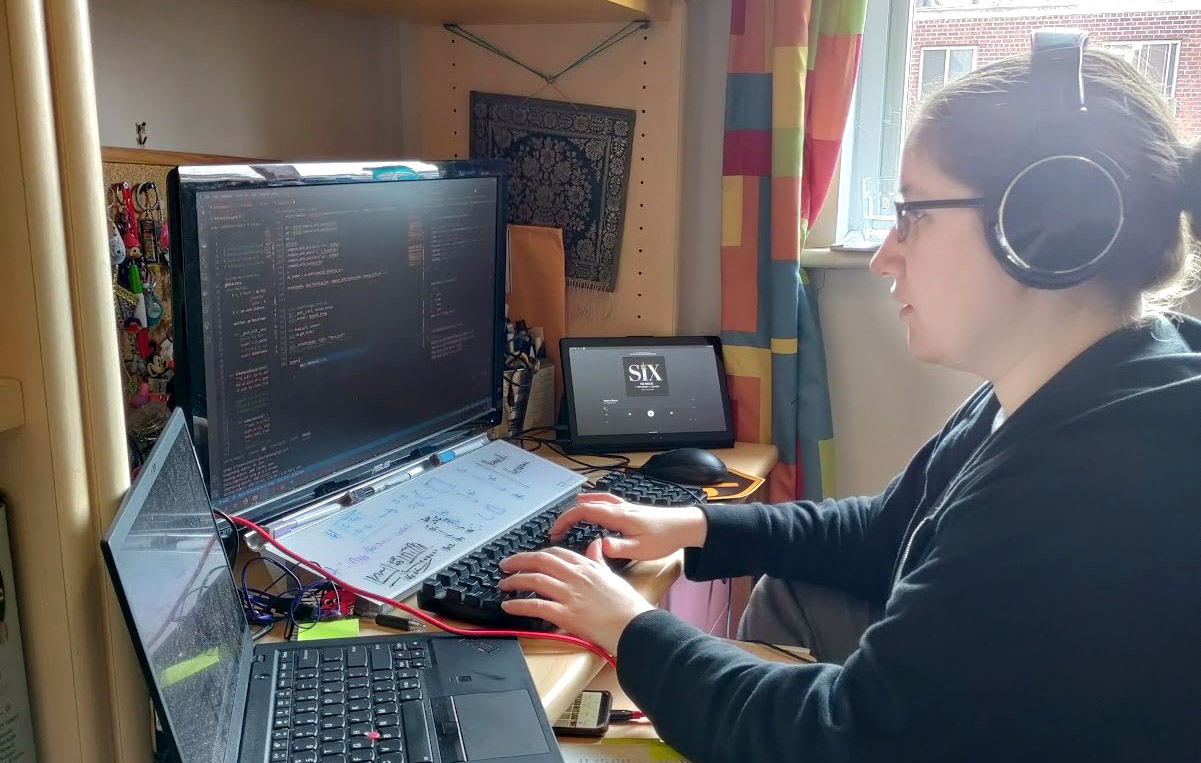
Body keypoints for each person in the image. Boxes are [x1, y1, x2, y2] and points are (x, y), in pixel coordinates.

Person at [496, 39, 1201, 762]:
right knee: (789, 589)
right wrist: (693, 525)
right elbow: (886, 531)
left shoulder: (1087, 485)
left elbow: (840, 737)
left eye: (914, 214)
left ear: (1045, 227)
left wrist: (627, 625)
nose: (886, 255)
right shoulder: (1072, 386)